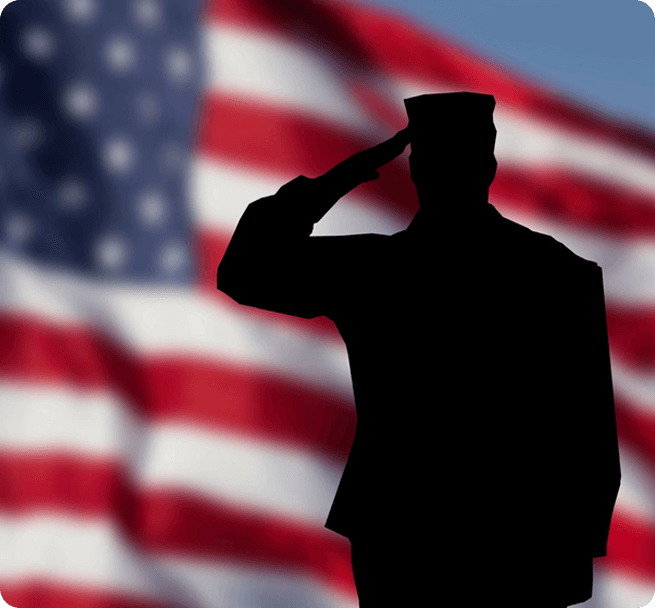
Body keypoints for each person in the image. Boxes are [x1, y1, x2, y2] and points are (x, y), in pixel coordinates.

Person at [216, 92, 621, 607]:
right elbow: (591, 434)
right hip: (515, 544)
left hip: (407, 534)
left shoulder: (374, 270)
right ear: (489, 165)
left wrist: (330, 185)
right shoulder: (559, 274)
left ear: (415, 170)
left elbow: (245, 268)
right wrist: (567, 555)